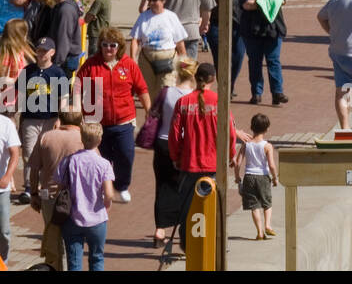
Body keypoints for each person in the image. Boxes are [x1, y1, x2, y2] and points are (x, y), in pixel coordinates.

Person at [73, 29, 149, 203]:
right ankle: (102, 188)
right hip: (97, 123)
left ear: (119, 46)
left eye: (112, 45)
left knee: (126, 154)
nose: (108, 49)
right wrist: (77, 108)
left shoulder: (128, 64)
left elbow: (142, 89)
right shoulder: (91, 64)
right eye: (105, 45)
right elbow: (77, 86)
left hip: (124, 120)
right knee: (102, 158)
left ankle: (121, 186)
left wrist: (149, 110)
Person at [169, 63, 238, 251]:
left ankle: (187, 245)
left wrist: (176, 156)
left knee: (188, 207)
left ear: (195, 78)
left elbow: (174, 134)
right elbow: (230, 132)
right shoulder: (219, 102)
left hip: (189, 163)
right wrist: (231, 154)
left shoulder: (183, 103)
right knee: (213, 206)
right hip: (213, 163)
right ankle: (213, 244)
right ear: (213, 79)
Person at [26, 108, 83, 269]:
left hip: (49, 196)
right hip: (75, 198)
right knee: (73, 242)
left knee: (53, 242)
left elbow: (34, 168)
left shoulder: (46, 137)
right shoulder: (83, 139)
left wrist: (34, 194)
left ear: (60, 119)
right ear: (80, 121)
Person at [56, 121, 116, 271]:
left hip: (72, 218)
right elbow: (109, 193)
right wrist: (106, 205)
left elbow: (60, 185)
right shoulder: (104, 164)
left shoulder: (69, 160)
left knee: (74, 260)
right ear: (100, 140)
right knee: (97, 258)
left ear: (81, 138)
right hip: (97, 219)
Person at [17, 38, 69, 201]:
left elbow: (64, 96)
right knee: (29, 153)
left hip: (50, 118)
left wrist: (60, 117)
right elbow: (18, 92)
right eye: (39, 50)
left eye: (44, 51)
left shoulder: (57, 73)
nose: (41, 53)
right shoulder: (28, 70)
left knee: (48, 153)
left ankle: (47, 185)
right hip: (30, 119)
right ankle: (29, 187)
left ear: (52, 53)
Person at [150, 65, 194, 247]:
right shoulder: (194, 96)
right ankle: (185, 230)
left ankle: (160, 230)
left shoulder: (166, 92)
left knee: (162, 185)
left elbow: (153, 112)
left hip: (162, 143)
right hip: (184, 145)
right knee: (185, 188)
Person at [238, 0, 288, 106]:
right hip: (252, 31)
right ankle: (256, 93)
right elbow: (246, 5)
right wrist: (269, 1)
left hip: (273, 31)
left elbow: (282, 1)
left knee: (273, 61)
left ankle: (277, 93)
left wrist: (258, 1)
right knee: (255, 63)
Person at [130, 0, 189, 101]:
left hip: (167, 59)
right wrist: (133, 58)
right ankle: (153, 116)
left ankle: (165, 116)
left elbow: (179, 42)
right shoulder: (143, 17)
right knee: (148, 92)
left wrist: (184, 62)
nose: (151, 3)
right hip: (147, 59)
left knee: (166, 91)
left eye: (155, 0)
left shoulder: (171, 17)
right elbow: (135, 40)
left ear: (163, 1)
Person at [235, 113, 278, 240]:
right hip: (263, 177)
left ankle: (259, 232)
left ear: (251, 127)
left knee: (254, 206)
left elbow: (237, 163)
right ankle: (268, 225)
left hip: (249, 177)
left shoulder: (246, 144)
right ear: (267, 129)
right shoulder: (267, 146)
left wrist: (237, 178)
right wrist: (275, 178)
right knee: (267, 203)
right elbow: (271, 165)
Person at [45, 0, 83, 78]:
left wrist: (58, 61)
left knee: (61, 90)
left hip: (65, 59)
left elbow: (64, 36)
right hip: (64, 57)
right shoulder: (60, 7)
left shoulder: (65, 10)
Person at [0, 106, 18, 262]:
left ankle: (2, 263)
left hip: (1, 189)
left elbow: (15, 153)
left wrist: (7, 176)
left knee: (3, 231)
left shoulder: (6, 124)